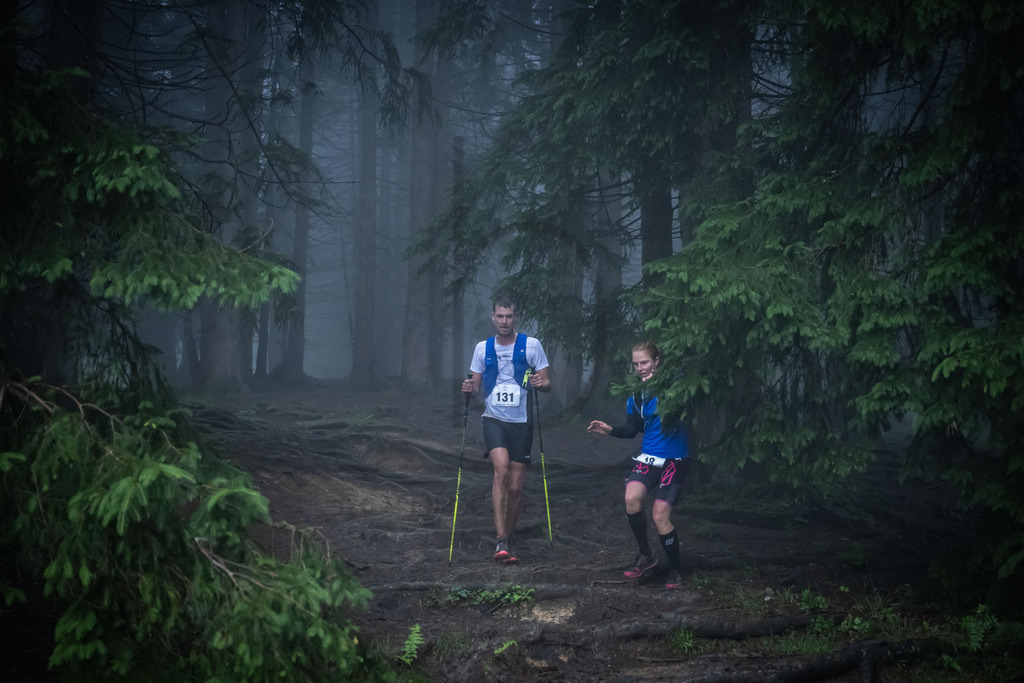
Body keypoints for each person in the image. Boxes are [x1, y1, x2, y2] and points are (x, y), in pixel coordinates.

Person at [587, 340, 689, 589]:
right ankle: (646, 556)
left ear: (657, 361)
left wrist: (660, 384)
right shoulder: (636, 394)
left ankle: (675, 570)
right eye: (636, 364)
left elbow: (691, 390)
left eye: (644, 362)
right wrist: (610, 430)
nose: (640, 368)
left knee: (660, 514)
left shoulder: (676, 382)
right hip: (649, 457)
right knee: (631, 499)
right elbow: (634, 430)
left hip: (675, 459)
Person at [462, 295, 551, 564]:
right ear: (493, 317)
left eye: (508, 316)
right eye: (499, 316)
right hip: (494, 420)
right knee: (500, 471)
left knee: (515, 486)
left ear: (516, 316)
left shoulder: (532, 345)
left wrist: (539, 382)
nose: (504, 321)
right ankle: (501, 538)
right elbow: (475, 388)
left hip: (522, 424)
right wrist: (468, 389)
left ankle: (507, 538)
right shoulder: (482, 349)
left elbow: (547, 383)